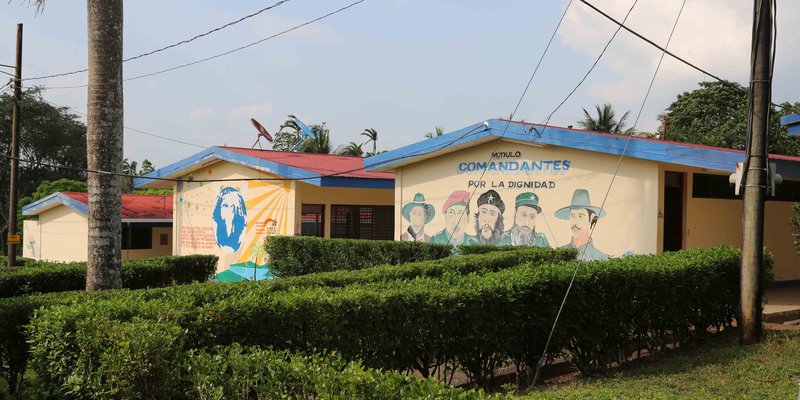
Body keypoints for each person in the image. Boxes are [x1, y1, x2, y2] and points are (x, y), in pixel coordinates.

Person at [555, 188, 609, 261]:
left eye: (580, 216)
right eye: (572, 216)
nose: (575, 222)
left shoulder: (602, 258)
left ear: (592, 219)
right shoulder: (557, 255)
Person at [212, 186, 248, 253]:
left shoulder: (240, 230)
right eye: (225, 206)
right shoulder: (217, 229)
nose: (228, 210)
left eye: (232, 206)